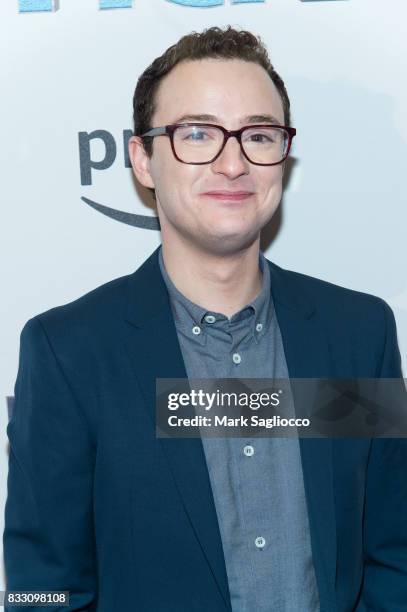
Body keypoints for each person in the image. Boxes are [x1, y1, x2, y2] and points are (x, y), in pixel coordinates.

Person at [3, 26, 406, 612]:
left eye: (258, 135)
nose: (233, 162)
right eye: (197, 134)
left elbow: (394, 551)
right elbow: (42, 590)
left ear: (282, 156)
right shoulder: (69, 353)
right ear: (142, 159)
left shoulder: (358, 334)